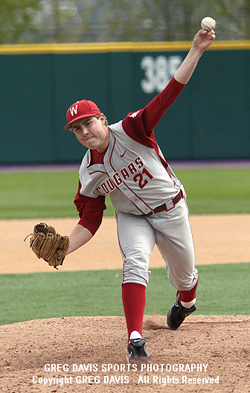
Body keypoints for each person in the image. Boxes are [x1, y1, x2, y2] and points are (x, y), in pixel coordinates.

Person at [63, 28, 215, 364]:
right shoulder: (87, 173)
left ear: (102, 119)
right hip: (132, 217)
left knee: (185, 278)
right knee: (134, 263)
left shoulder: (132, 128)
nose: (85, 131)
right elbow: (89, 219)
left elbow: (169, 93)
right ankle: (135, 340)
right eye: (77, 129)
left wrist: (196, 49)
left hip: (171, 210)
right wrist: (64, 248)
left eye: (89, 123)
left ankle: (185, 302)